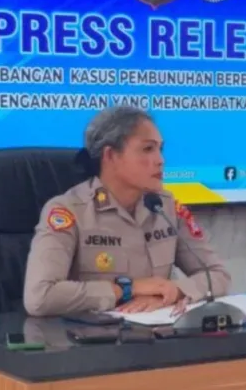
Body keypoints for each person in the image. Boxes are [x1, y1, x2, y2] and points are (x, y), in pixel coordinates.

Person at [23, 106, 231, 317]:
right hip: (90, 334)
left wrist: (173, 291)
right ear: (110, 155)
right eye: (148, 149)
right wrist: (126, 290)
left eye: (160, 149)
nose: (160, 160)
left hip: (157, 332)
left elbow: (218, 274)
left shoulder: (165, 207)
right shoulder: (68, 211)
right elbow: (40, 296)